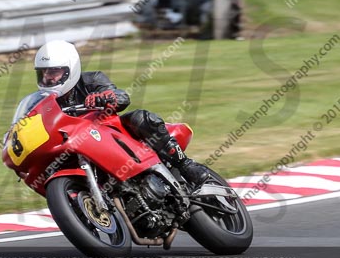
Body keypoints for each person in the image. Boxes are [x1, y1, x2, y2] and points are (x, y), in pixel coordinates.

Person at [34, 39, 209, 188]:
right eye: (44, 72)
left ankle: (185, 165)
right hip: (77, 144)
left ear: (69, 70)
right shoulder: (44, 101)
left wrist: (103, 98)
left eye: (54, 72)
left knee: (141, 118)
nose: (48, 77)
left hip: (109, 133)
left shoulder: (92, 80)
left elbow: (122, 97)